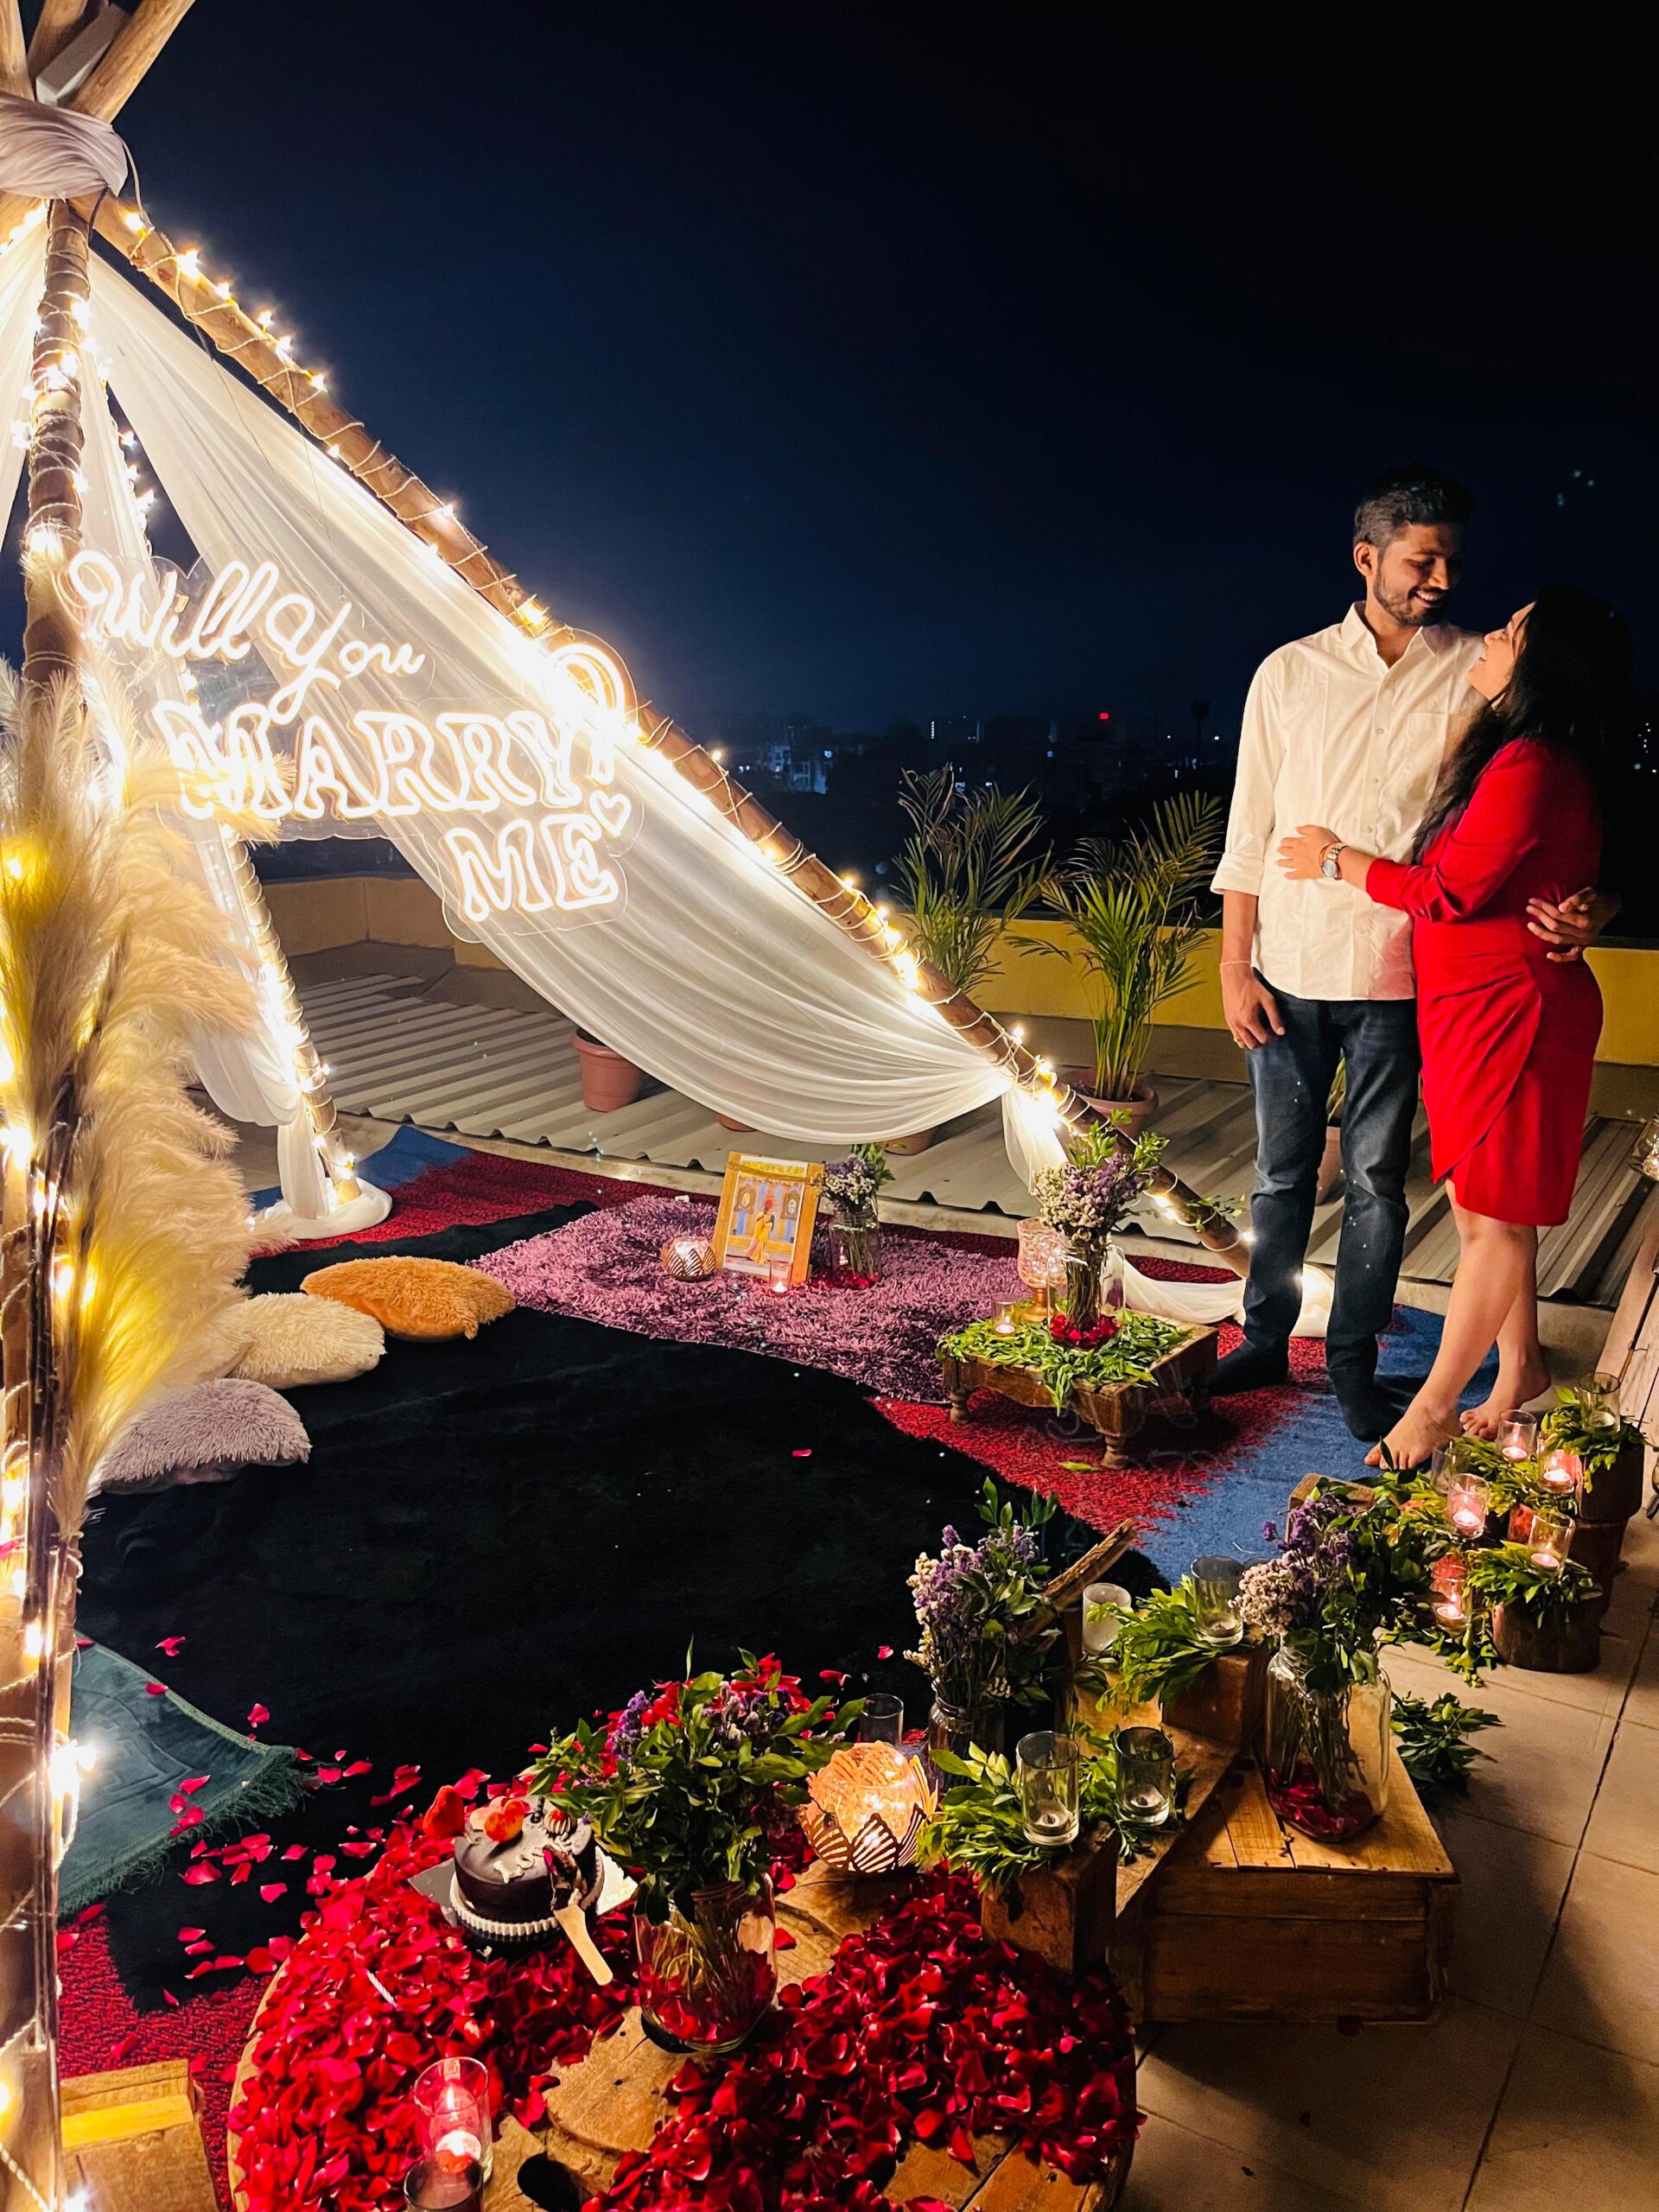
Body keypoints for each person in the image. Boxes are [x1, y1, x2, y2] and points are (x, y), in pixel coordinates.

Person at [1210, 467, 1613, 1440]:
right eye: (1422, 560)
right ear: (1367, 557)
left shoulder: (1481, 668)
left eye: (1454, 562)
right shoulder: (1289, 672)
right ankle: (1264, 1338)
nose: (1441, 578)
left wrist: (1600, 902)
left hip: (1409, 975)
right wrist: (1234, 963)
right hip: (1292, 962)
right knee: (1281, 1172)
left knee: (1380, 1182)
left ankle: (1353, 1360)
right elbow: (1249, 829)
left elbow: (1559, 807)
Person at [1277, 586, 1630, 1469]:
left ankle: (1431, 1411)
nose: (1493, 635)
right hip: (1476, 1007)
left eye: (1513, 631)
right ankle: (1520, 1369)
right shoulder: (1519, 750)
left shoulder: (1534, 762)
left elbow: (1445, 892)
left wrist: (1335, 858)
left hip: (1511, 1010)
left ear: (1543, 662)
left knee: (1492, 1220)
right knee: (1490, 1211)